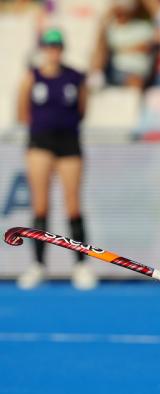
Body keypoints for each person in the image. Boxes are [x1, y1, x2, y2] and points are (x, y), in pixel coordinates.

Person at [15, 28, 98, 291]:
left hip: (68, 143)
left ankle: (80, 265)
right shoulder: (33, 77)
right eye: (49, 46)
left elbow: (82, 109)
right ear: (43, 49)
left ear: (62, 48)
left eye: (57, 46)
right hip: (40, 142)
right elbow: (21, 110)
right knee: (40, 206)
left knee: (73, 205)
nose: (53, 51)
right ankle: (39, 265)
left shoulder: (75, 77)